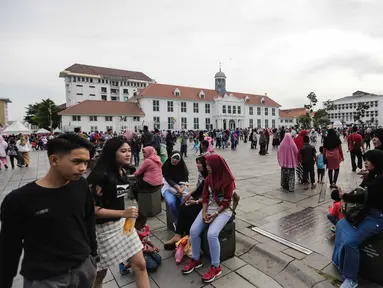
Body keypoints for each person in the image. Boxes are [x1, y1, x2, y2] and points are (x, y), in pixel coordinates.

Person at [0, 134, 97, 288]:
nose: (83, 168)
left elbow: (89, 220)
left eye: (86, 162)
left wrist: (93, 255)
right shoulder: (18, 200)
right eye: (77, 161)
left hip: (84, 269)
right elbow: (9, 248)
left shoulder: (80, 185)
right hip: (46, 278)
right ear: (54, 160)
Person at [87, 137, 149, 288]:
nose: (128, 154)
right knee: (100, 274)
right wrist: (122, 213)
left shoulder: (122, 171)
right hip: (102, 230)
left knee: (140, 264)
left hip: (122, 225)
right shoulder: (99, 176)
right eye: (123, 151)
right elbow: (91, 210)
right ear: (111, 153)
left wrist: (130, 209)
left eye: (129, 150)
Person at [332, 149, 383, 288]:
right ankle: (339, 260)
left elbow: (364, 197)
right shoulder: (373, 176)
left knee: (351, 242)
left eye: (368, 160)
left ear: (376, 162)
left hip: (377, 218)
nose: (365, 162)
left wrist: (345, 197)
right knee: (341, 225)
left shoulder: (380, 180)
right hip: (367, 214)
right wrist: (345, 196)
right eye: (365, 159)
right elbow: (361, 193)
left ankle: (351, 279)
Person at [182, 154, 235, 283]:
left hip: (223, 210)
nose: (207, 168)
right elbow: (205, 197)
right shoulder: (208, 179)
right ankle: (196, 259)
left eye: (209, 166)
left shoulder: (228, 180)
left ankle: (216, 266)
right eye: (206, 166)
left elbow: (227, 202)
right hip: (209, 209)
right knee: (194, 231)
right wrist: (204, 212)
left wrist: (215, 214)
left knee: (212, 234)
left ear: (216, 166)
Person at [164, 156, 208, 249]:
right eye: (197, 163)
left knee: (188, 208)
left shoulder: (211, 176)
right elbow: (200, 188)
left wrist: (196, 201)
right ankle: (180, 234)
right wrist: (190, 194)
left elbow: (211, 197)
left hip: (209, 204)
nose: (197, 165)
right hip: (203, 200)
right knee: (184, 205)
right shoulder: (204, 174)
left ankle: (185, 235)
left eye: (200, 163)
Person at [162, 151, 189, 228]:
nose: (175, 160)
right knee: (171, 202)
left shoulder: (182, 166)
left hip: (181, 186)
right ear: (170, 157)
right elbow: (168, 179)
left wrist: (181, 188)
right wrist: (177, 188)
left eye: (177, 158)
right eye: (174, 157)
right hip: (168, 186)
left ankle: (182, 220)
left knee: (184, 200)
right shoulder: (166, 166)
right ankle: (178, 220)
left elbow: (185, 180)